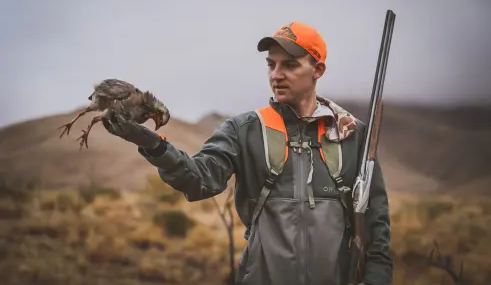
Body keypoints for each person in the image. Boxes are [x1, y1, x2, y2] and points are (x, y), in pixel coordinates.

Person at [101, 21, 393, 285]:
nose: (276, 75)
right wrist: (155, 144)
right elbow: (198, 179)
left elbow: (376, 228)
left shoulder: (353, 136)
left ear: (317, 70)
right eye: (271, 65)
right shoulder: (245, 129)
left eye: (290, 65)